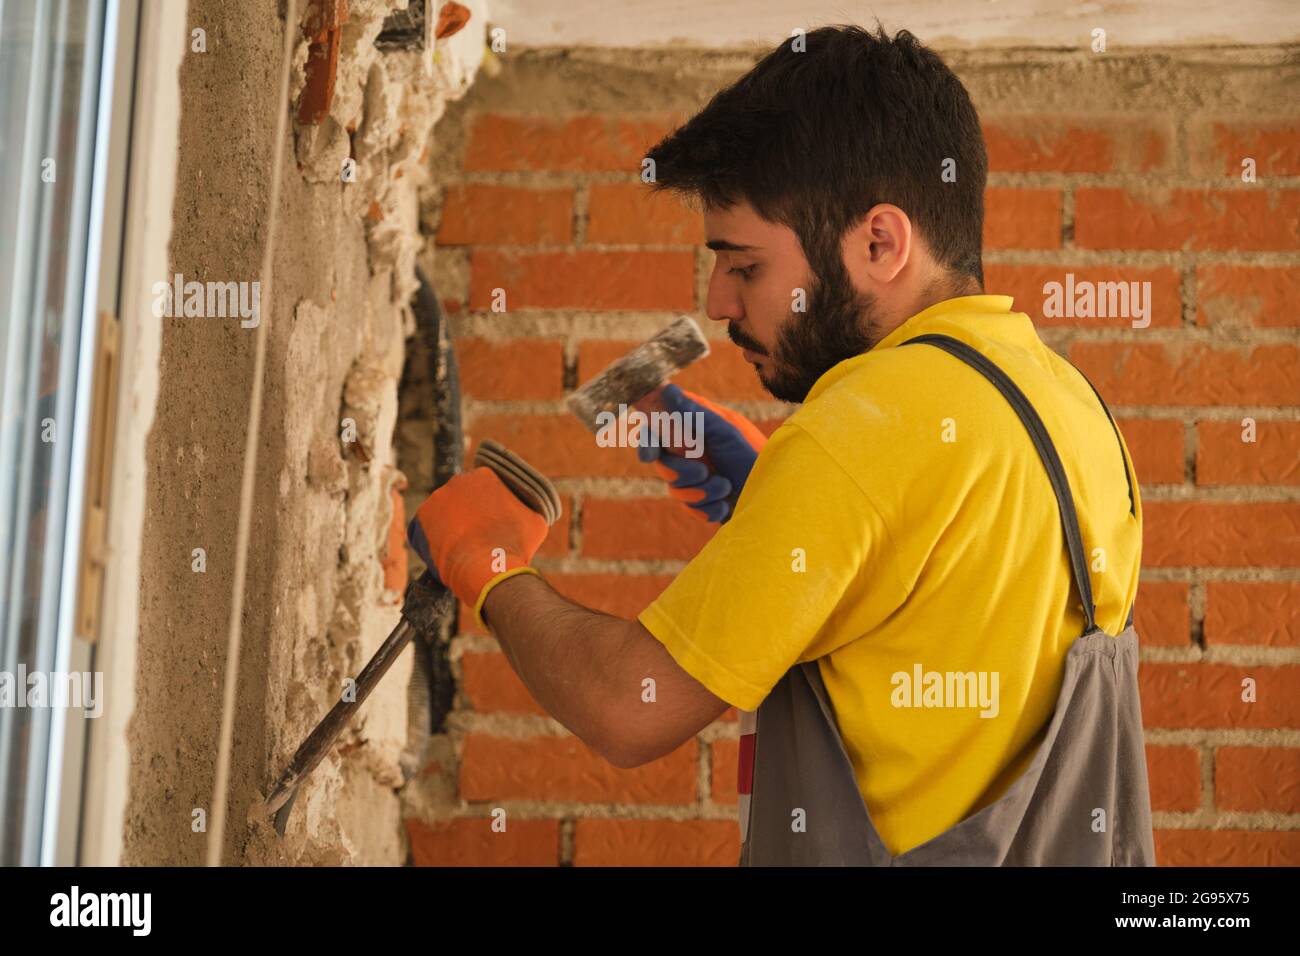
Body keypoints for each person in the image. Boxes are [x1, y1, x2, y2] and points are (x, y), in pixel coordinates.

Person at [411, 24, 1154, 865]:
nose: (719, 301)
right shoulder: (1071, 408)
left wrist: (489, 565)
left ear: (880, 242)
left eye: (746, 266)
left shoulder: (863, 428)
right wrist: (795, 505)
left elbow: (627, 705)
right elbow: (959, 626)